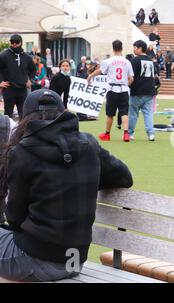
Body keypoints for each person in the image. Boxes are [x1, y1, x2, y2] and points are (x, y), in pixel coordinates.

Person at [0, 89, 133, 282]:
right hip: (75, 261)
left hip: (36, 258)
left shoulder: (22, 151)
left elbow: (15, 217)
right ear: (63, 112)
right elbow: (124, 177)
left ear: (25, 117)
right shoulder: (89, 143)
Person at [87, 40, 134, 142]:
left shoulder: (108, 61)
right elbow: (131, 78)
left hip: (112, 89)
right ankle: (126, 134)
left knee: (110, 113)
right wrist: (126, 85)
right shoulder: (127, 62)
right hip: (124, 89)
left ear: (113, 49)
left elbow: (100, 71)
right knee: (124, 112)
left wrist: (90, 76)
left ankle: (107, 134)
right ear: (122, 49)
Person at [128, 40, 158, 142]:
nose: (134, 49)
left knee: (133, 113)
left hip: (137, 91)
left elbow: (130, 76)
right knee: (148, 113)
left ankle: (130, 133)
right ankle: (151, 134)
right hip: (150, 90)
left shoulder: (135, 60)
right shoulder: (151, 60)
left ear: (140, 48)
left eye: (135, 47)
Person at [0, 34, 35, 119]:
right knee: (8, 114)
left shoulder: (27, 57)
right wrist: (0, 82)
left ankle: (22, 132)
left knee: (23, 114)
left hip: (22, 89)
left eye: (16, 42)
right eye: (12, 42)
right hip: (9, 88)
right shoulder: (3, 55)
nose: (14, 44)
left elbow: (33, 70)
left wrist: (30, 80)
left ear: (21, 43)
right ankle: (7, 131)